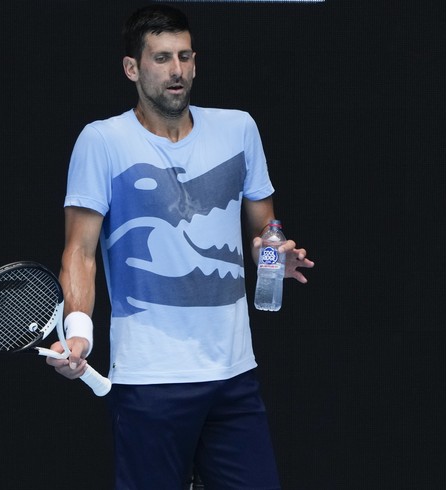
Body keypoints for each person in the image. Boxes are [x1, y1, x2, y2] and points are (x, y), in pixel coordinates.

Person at [45, 4, 314, 489]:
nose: (177, 70)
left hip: (233, 376)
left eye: (185, 57)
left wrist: (273, 256)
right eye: (162, 58)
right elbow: (80, 252)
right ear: (132, 68)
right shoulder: (101, 141)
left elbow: (266, 230)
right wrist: (80, 331)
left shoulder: (239, 129)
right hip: (149, 382)